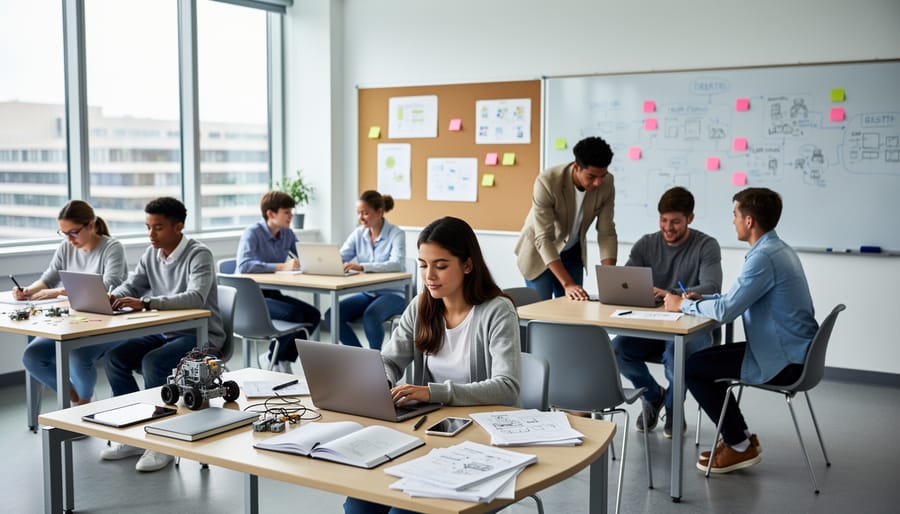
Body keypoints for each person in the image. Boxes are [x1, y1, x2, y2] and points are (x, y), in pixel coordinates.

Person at [343, 216, 521, 514]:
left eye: (440, 265)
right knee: (359, 503)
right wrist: (382, 384)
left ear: (467, 265)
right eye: (423, 265)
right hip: (428, 433)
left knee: (404, 510)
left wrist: (432, 392)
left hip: (480, 439)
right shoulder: (421, 305)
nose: (429, 275)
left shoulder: (497, 311)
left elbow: (507, 387)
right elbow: (389, 359)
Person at [664, 187, 818, 474]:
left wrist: (680, 306)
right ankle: (741, 439)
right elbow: (733, 300)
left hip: (784, 360)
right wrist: (701, 300)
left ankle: (737, 444)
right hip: (789, 348)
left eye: (735, 214)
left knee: (693, 367)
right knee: (706, 363)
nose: (732, 220)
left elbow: (725, 312)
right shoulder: (776, 249)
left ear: (749, 221)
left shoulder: (764, 259)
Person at [100, 197, 226, 473]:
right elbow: (132, 286)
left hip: (201, 335)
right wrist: (110, 297)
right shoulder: (151, 254)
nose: (151, 234)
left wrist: (147, 303)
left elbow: (195, 297)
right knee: (114, 358)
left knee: (153, 363)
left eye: (157, 228)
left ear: (178, 227)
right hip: (166, 332)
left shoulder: (199, 254)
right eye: (148, 227)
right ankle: (133, 432)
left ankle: (162, 441)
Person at [611, 186, 722, 438]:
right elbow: (626, 280)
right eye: (663, 220)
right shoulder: (646, 244)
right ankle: (653, 395)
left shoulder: (706, 246)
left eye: (675, 222)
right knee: (617, 350)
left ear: (690, 219)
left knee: (676, 358)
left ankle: (673, 408)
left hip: (692, 329)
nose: (668, 228)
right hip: (652, 327)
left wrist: (669, 293)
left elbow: (712, 286)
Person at [19, 200, 127, 405]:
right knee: (32, 356)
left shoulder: (112, 248)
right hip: (73, 320)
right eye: (64, 233)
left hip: (108, 322)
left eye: (73, 232)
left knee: (77, 356)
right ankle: (79, 400)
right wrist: (28, 291)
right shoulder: (66, 248)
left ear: (91, 225)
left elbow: (108, 285)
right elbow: (48, 277)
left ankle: (84, 403)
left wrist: (58, 291)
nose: (69, 239)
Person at [514, 136, 618, 301]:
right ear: (576, 167)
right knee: (543, 312)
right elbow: (543, 238)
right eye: (591, 176)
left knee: (574, 310)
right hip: (539, 252)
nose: (598, 182)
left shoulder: (607, 183)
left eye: (602, 175)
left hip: (572, 252)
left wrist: (609, 279)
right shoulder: (548, 181)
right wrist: (568, 283)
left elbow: (606, 233)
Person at [236, 191, 321, 372]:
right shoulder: (252, 233)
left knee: (313, 315)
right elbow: (244, 265)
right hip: (251, 299)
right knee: (294, 315)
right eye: (286, 212)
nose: (291, 215)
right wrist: (282, 267)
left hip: (272, 293)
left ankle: (278, 358)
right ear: (270, 214)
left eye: (291, 211)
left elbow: (304, 256)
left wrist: (319, 262)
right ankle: (275, 359)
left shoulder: (287, 233)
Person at [324, 190, 406, 350]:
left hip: (394, 294)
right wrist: (329, 262)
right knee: (331, 315)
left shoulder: (396, 233)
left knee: (371, 315)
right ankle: (360, 357)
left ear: (380, 211)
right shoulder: (358, 233)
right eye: (358, 213)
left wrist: (362, 267)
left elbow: (397, 264)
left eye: (365, 213)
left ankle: (376, 362)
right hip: (368, 292)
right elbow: (340, 256)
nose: (360, 218)